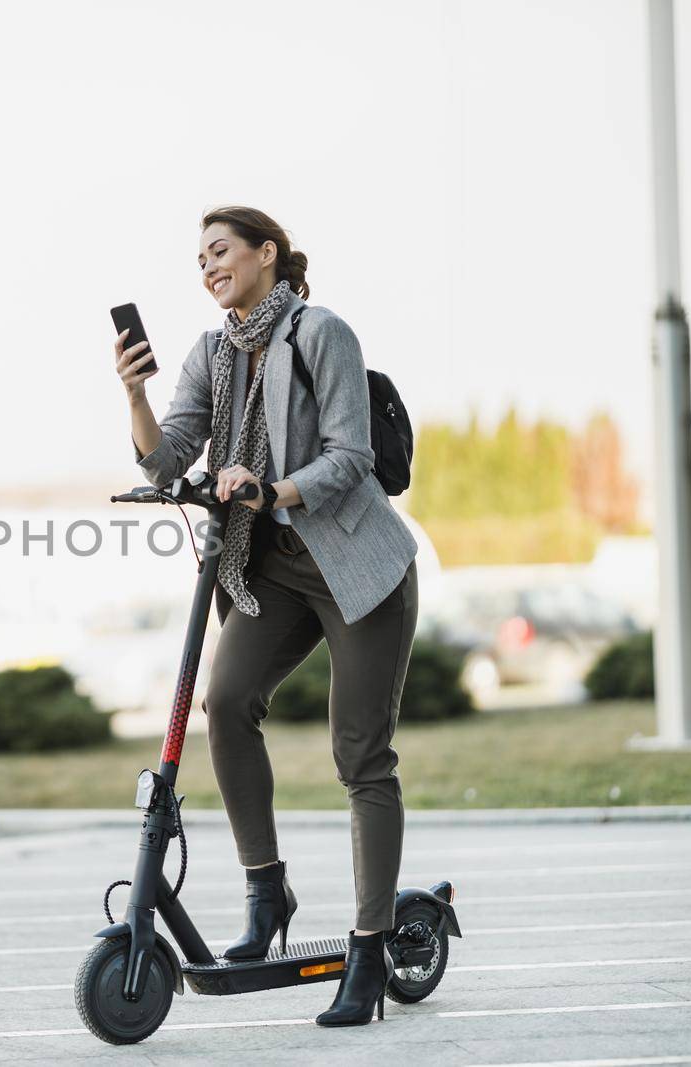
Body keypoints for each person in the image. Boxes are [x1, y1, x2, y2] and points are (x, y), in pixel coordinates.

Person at [114, 205, 419, 1027]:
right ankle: (266, 889)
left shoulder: (321, 333)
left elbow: (352, 456)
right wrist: (135, 391)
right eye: (200, 257)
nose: (208, 265)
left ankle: (368, 945)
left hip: (357, 567)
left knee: (361, 754)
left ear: (266, 254)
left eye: (221, 250)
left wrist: (271, 488)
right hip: (272, 570)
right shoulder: (211, 353)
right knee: (227, 703)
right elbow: (166, 451)